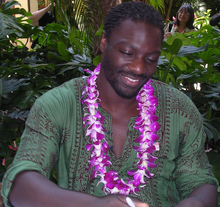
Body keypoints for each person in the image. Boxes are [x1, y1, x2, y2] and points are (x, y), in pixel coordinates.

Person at [1, 2, 218, 207]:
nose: (139, 68)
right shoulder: (59, 104)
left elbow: (200, 182)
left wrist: (194, 203)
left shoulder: (179, 110)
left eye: (150, 59)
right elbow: (21, 184)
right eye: (127, 53)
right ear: (104, 42)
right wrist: (93, 205)